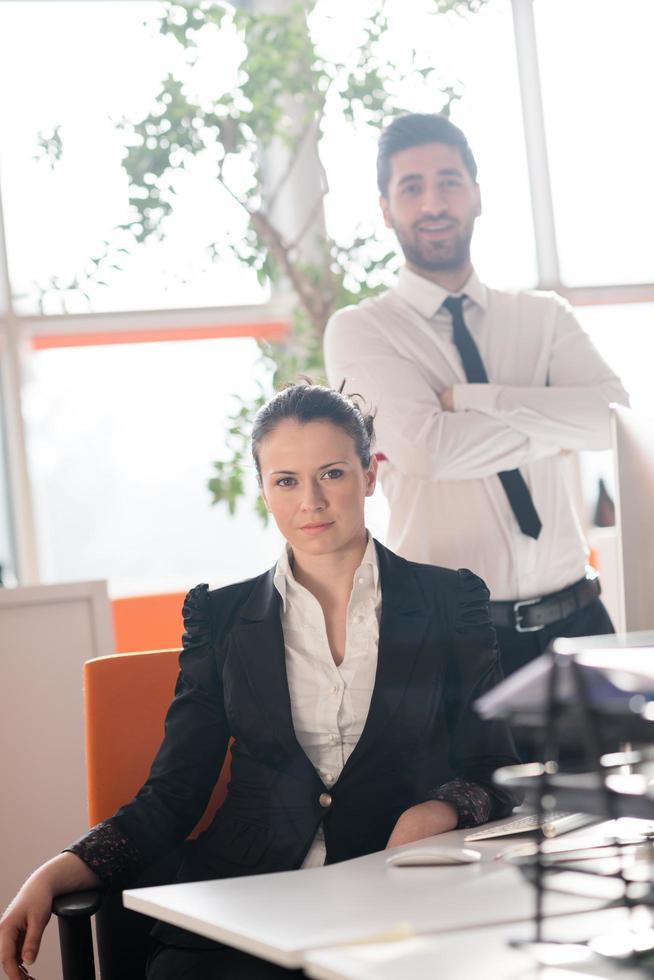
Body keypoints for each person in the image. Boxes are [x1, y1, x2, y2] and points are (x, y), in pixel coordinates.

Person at [0, 382, 519, 980]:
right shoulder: (221, 619)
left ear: (370, 474)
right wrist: (55, 870)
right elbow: (172, 795)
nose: (312, 503)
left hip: (397, 894)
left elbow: (496, 767)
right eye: (287, 481)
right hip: (245, 899)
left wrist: (437, 812)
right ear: (265, 490)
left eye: (332, 473)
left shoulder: (449, 600)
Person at [324, 113, 629, 682]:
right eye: (411, 187)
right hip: (452, 638)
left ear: (477, 195)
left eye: (449, 181)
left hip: (580, 622)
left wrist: (470, 399)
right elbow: (428, 452)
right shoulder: (361, 330)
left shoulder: (544, 316)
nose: (433, 202)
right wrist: (553, 421)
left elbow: (612, 420)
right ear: (387, 208)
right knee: (470, 779)